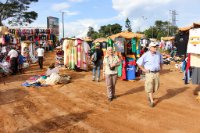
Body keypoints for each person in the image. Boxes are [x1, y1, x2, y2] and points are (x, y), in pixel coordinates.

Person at [136, 42, 163, 107]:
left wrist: (161, 68)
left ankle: (149, 94)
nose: (155, 48)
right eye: (154, 47)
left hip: (156, 72)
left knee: (156, 86)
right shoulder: (146, 55)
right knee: (149, 85)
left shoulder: (159, 54)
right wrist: (143, 69)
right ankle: (151, 101)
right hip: (149, 73)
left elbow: (161, 62)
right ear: (150, 48)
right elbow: (138, 62)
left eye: (156, 46)